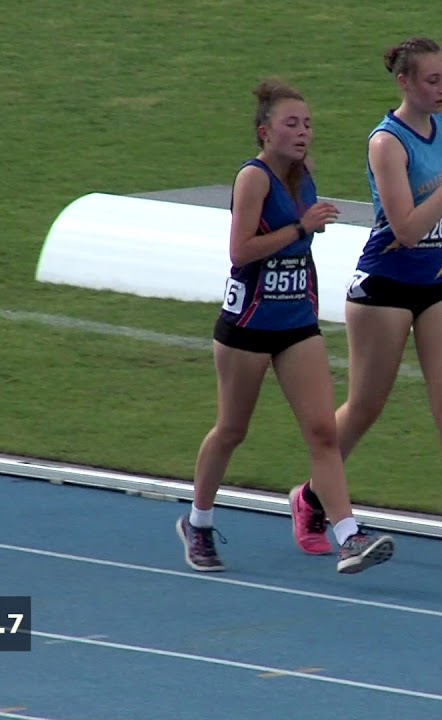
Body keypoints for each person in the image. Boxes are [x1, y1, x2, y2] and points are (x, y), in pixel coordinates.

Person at [287, 38, 442, 576]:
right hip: (387, 285)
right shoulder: (385, 143)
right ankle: (310, 497)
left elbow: (430, 181)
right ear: (404, 82)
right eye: (431, 80)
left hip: (441, 278)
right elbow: (405, 228)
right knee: (367, 406)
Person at [177, 79, 394, 576]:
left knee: (321, 431)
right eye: (291, 124)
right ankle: (198, 522)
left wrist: (305, 228)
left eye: (308, 124)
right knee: (232, 430)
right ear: (264, 131)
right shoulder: (252, 179)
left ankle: (348, 535)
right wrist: (301, 227)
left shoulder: (306, 174)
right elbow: (240, 252)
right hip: (249, 322)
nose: (303, 133)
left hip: (297, 320)